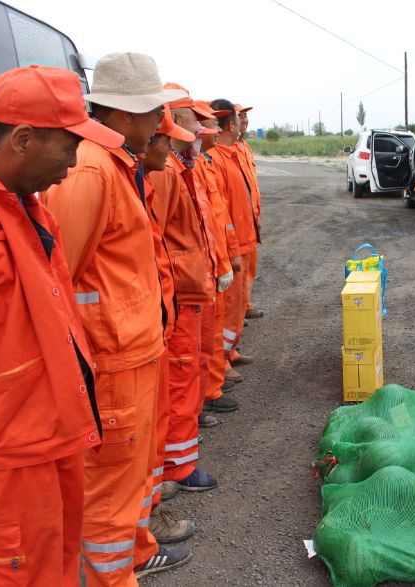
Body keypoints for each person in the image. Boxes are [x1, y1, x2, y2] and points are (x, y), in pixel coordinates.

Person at [0, 64, 120, 587]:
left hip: (54, 436)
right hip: (15, 456)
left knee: (59, 568)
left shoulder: (26, 208)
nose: (73, 164)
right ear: (22, 139)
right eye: (68, 146)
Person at [41, 52, 192, 583]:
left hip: (136, 353)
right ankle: (114, 574)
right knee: (108, 490)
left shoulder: (117, 166)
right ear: (124, 114)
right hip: (111, 363)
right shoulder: (89, 170)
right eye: (154, 112)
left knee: (135, 475)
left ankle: (133, 553)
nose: (160, 124)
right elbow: (54, 277)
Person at [147, 83, 235, 501]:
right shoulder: (166, 172)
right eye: (193, 121)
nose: (202, 129)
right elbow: (157, 240)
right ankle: (178, 466)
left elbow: (205, 225)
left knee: (192, 368)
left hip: (192, 286)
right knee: (181, 376)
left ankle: (182, 453)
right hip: (179, 294)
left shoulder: (185, 165)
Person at [141, 104, 199, 539]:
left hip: (160, 308)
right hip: (134, 332)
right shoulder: (154, 172)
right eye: (196, 121)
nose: (202, 129)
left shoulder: (172, 167)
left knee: (178, 385)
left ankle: (174, 467)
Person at [194, 101, 243, 418]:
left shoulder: (205, 163)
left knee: (217, 326)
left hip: (218, 259)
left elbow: (220, 215)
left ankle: (216, 375)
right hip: (200, 270)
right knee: (203, 337)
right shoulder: (203, 163)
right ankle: (210, 388)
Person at [209, 99, 258, 383]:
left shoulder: (235, 153)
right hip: (234, 244)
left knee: (238, 304)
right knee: (227, 308)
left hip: (246, 238)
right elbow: (220, 210)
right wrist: (230, 248)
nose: (243, 122)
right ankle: (221, 363)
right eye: (238, 119)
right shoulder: (217, 159)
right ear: (231, 124)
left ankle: (231, 351)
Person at [233, 103, 265, 319]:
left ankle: (245, 306)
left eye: (245, 117)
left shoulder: (245, 147)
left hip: (251, 219)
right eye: (239, 116)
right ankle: (235, 312)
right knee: (238, 271)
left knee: (249, 269)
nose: (243, 120)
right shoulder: (225, 150)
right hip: (237, 222)